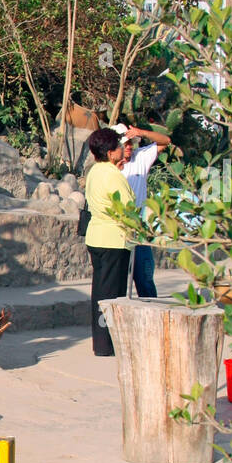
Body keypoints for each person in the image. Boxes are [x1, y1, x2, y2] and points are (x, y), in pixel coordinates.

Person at [84, 125, 135, 357]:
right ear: (111, 152)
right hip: (114, 238)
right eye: (118, 146)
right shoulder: (114, 175)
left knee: (100, 291)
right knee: (112, 294)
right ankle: (107, 344)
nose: (122, 149)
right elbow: (128, 208)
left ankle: (101, 342)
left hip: (96, 235)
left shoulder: (95, 171)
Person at [115, 121, 171, 298]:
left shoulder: (141, 157)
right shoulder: (108, 167)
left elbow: (165, 141)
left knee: (145, 278)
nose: (129, 146)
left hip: (140, 229)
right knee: (118, 282)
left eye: (131, 142)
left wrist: (141, 132)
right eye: (125, 143)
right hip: (117, 230)